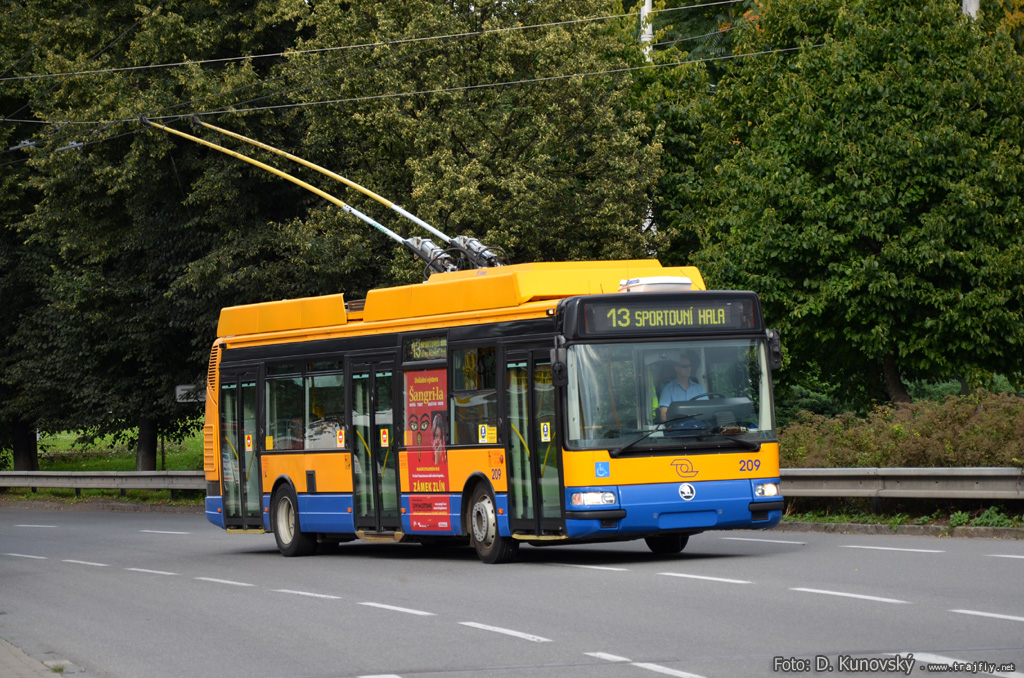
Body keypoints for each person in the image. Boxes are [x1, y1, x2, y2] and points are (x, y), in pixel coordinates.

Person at [658, 354, 706, 422]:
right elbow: (664, 415)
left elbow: (706, 411)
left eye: (689, 366)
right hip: (679, 430)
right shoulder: (668, 389)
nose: (688, 369)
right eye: (684, 366)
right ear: (676, 368)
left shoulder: (700, 388)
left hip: (699, 429)